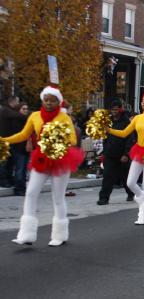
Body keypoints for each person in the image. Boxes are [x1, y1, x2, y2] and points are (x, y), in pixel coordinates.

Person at [4, 86, 83, 246]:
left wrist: (56, 139)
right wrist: (4, 140)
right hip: (41, 158)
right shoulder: (34, 116)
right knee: (31, 192)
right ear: (42, 100)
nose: (48, 103)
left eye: (52, 100)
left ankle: (60, 235)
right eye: (46, 100)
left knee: (58, 197)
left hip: (60, 159)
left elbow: (73, 139)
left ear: (58, 102)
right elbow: (23, 134)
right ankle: (26, 234)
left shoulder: (63, 117)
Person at [107, 89, 144, 224]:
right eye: (142, 100)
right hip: (138, 151)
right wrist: (109, 130)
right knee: (130, 182)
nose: (143, 102)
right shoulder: (137, 118)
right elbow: (124, 133)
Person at [97, 100, 135, 205]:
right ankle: (104, 198)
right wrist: (105, 150)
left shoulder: (126, 122)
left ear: (120, 109)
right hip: (110, 154)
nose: (114, 112)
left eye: (116, 109)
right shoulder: (108, 121)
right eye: (112, 109)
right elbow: (105, 136)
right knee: (107, 175)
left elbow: (130, 139)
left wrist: (126, 154)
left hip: (122, 154)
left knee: (126, 176)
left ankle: (131, 193)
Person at [0, 96, 27, 188]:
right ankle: (3, 181)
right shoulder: (5, 110)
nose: (18, 104)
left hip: (8, 140)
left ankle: (9, 179)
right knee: (5, 162)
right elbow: (18, 116)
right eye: (18, 102)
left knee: (9, 162)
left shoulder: (6, 110)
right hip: (4, 141)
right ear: (13, 102)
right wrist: (28, 116)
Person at [9, 102, 31, 196]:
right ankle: (19, 189)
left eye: (26, 109)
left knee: (23, 169)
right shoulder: (16, 121)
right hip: (18, 148)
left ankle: (22, 188)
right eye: (23, 109)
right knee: (20, 169)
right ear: (18, 110)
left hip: (25, 149)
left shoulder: (27, 120)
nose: (25, 110)